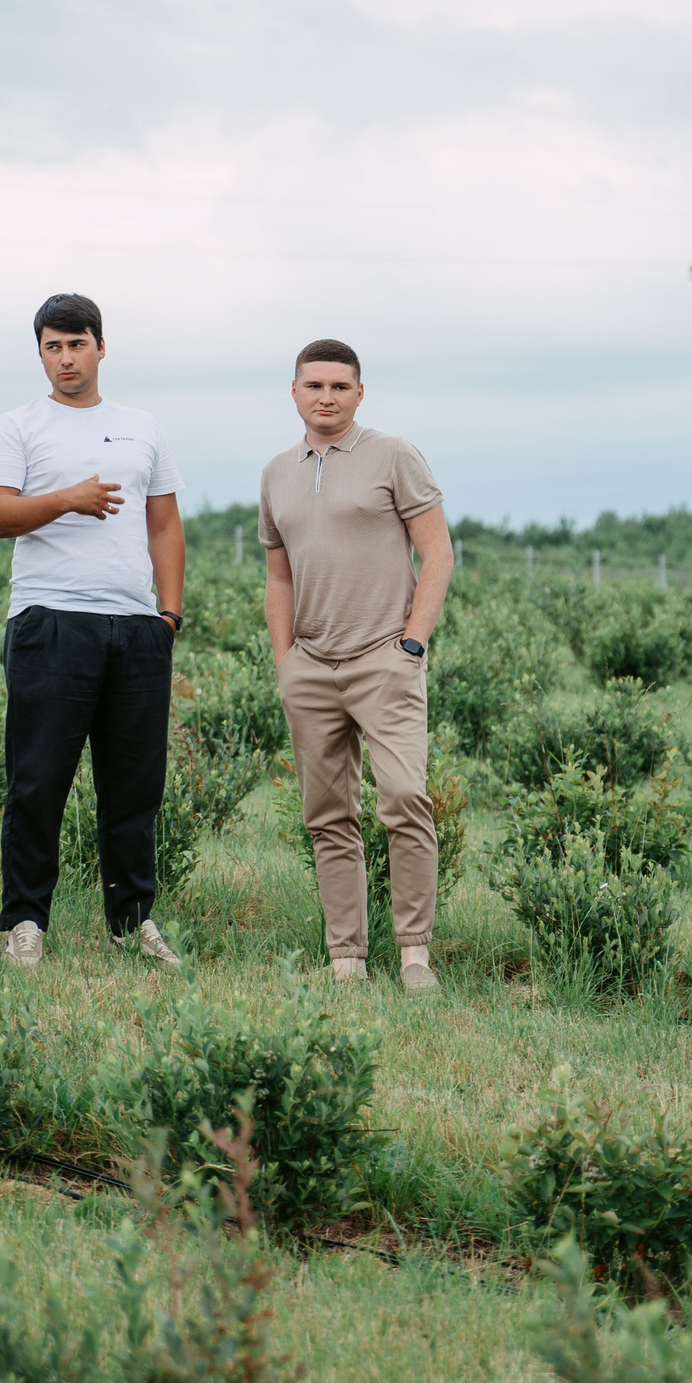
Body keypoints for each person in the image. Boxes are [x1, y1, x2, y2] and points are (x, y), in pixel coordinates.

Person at [0, 294, 186, 969]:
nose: (65, 358)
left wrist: (168, 616)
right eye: (53, 346)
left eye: (77, 344)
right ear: (40, 352)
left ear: (100, 346)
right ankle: (25, 922)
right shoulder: (18, 427)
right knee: (38, 782)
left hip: (136, 626)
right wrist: (67, 499)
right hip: (50, 620)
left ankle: (132, 923)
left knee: (134, 786)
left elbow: (164, 523)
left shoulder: (142, 427)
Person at [258, 339, 453, 992]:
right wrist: (286, 661)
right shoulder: (276, 473)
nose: (327, 397)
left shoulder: (394, 456)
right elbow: (278, 576)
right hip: (311, 666)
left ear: (360, 393)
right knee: (327, 814)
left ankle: (415, 955)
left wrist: (412, 644)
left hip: (383, 659)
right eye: (314, 385)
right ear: (294, 392)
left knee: (404, 799)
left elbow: (438, 553)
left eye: (340, 386)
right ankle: (347, 958)